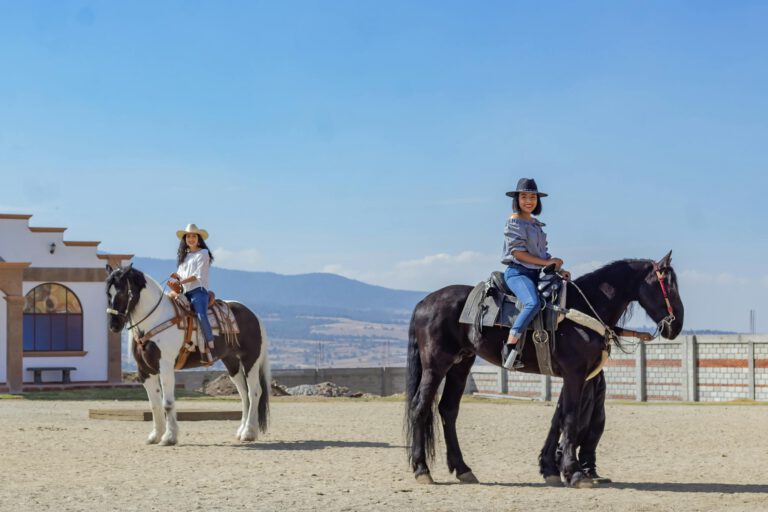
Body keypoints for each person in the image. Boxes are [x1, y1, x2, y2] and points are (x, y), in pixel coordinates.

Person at [501, 178, 570, 370]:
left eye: (532, 197)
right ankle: (510, 346)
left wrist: (558, 269)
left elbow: (542, 255)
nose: (529, 201)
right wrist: (547, 262)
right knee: (533, 303)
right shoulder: (514, 221)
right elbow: (518, 253)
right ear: (517, 199)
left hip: (536, 274)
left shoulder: (536, 224)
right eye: (524, 197)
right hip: (517, 273)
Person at [169, 223, 216, 356]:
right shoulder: (185, 255)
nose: (190, 239)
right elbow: (180, 274)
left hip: (198, 291)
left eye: (193, 236)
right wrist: (175, 280)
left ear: (198, 238)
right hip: (184, 292)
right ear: (185, 239)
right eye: (188, 236)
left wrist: (181, 282)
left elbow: (197, 275)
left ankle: (210, 342)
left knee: (201, 314)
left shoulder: (203, 253)